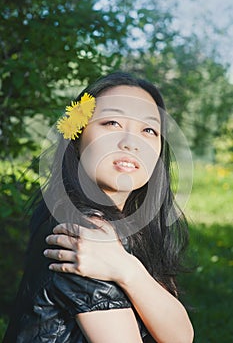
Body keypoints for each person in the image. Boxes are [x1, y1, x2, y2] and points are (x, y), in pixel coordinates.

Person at [3, 72, 194, 343]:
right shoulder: (82, 233)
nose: (131, 142)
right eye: (112, 122)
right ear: (77, 138)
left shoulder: (125, 231)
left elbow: (181, 336)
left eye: (148, 130)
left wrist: (126, 268)